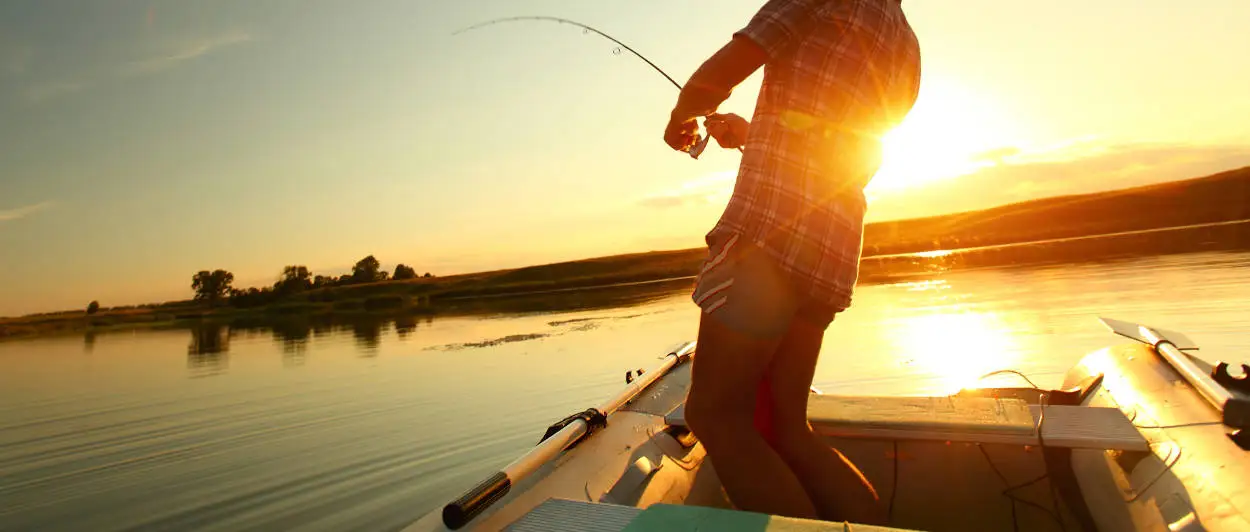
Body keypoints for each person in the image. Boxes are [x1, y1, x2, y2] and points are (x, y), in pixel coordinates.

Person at [662, 0, 922, 523]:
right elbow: (849, 145)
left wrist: (681, 116)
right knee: (788, 427)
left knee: (715, 415)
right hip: (836, 243)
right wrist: (754, 135)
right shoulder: (905, 43)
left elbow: (725, 70)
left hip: (771, 233)